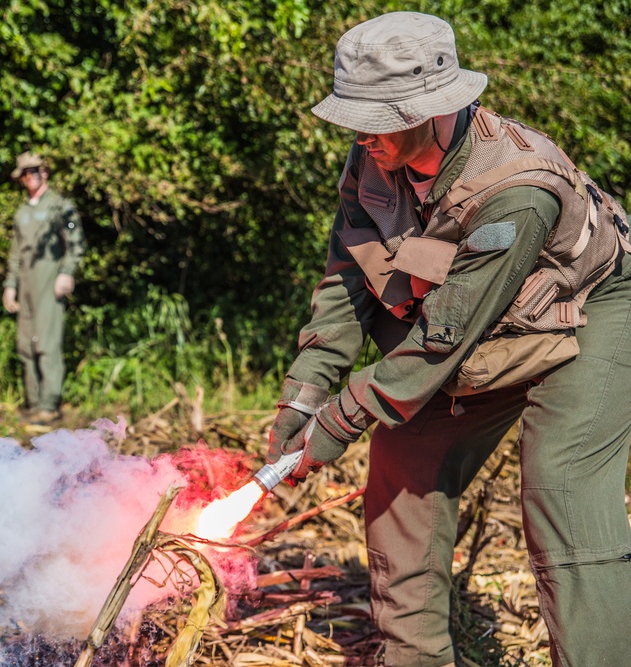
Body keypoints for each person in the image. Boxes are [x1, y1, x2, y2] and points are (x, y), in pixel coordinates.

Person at [265, 12, 631, 667]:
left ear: (430, 111)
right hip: (480, 322)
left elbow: (441, 340)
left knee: (560, 484)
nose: (358, 134)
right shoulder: (372, 158)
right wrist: (304, 394)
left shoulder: (516, 189)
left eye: (374, 119)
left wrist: (337, 422)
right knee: (403, 461)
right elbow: (349, 269)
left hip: (589, 311)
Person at [3, 151, 85, 425]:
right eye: (25, 174)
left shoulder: (61, 207)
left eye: (34, 171)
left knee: (47, 344)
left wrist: (66, 273)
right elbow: (15, 252)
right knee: (26, 345)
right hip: (25, 283)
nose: (29, 177)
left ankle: (49, 404)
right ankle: (33, 402)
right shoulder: (22, 211)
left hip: (49, 282)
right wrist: (10, 285)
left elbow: (75, 244)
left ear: (45, 173)